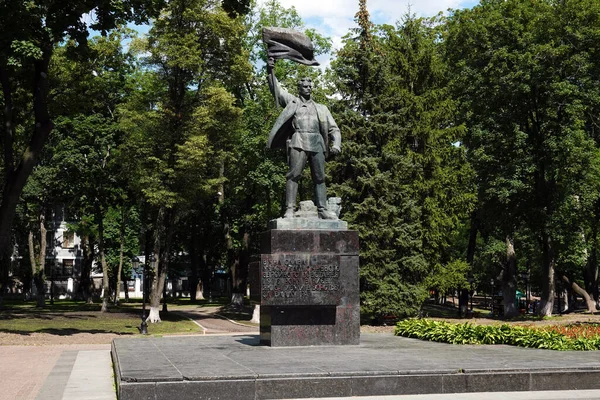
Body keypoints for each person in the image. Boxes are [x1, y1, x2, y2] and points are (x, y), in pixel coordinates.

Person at [266, 58, 341, 219]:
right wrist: (269, 68)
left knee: (320, 178)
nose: (308, 89)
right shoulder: (292, 103)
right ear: (299, 89)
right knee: (293, 175)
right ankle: (290, 209)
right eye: (305, 87)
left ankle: (322, 209)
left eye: (310, 86)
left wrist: (337, 144)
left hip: (317, 143)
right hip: (298, 141)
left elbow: (334, 129)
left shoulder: (322, 108)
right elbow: (277, 90)